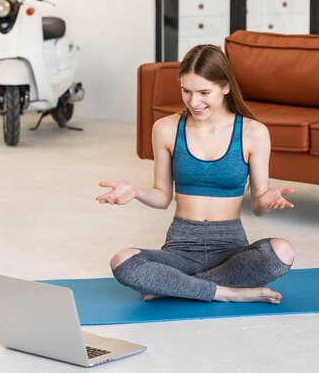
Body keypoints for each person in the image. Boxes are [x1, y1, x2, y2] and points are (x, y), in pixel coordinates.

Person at [96, 44, 295, 304]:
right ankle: (226, 292)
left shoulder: (253, 132)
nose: (194, 102)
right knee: (122, 261)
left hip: (230, 249)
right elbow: (162, 196)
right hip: (180, 247)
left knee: (282, 252)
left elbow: (257, 206)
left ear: (225, 87)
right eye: (186, 91)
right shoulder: (166, 129)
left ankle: (179, 286)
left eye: (204, 92)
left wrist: (266, 200)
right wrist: (135, 191)